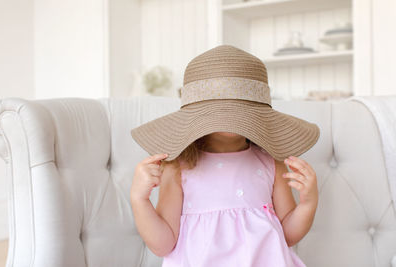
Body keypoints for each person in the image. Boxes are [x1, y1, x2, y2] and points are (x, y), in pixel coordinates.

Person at [130, 44, 320, 266]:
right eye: (223, 110)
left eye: (238, 111)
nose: (231, 118)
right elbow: (163, 244)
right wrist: (139, 199)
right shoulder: (178, 166)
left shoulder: (270, 160)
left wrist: (308, 203)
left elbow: (287, 235)